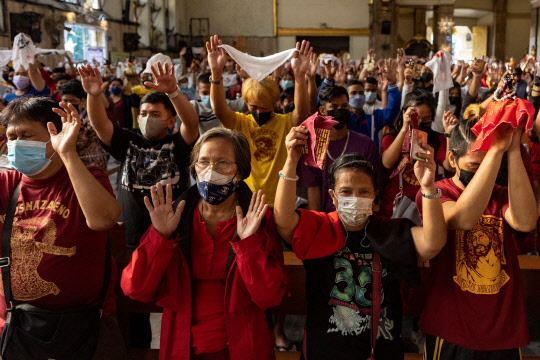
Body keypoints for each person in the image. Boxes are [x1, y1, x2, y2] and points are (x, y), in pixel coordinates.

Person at [273, 126, 446, 359]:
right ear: (333, 196)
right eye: (346, 191)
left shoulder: (389, 231)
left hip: (379, 351)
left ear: (374, 194)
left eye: (363, 191)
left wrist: (428, 187)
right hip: (324, 352)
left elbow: (432, 243)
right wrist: (291, 161)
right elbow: (284, 220)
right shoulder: (320, 227)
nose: (355, 198)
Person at [121, 128, 288, 360]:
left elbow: (270, 297)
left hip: (243, 347)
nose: (211, 171)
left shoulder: (258, 219)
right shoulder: (174, 218)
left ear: (239, 172)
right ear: (194, 169)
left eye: (223, 163)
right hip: (181, 347)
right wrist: (160, 236)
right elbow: (135, 288)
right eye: (204, 162)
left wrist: (249, 245)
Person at [79, 62, 199, 348]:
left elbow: (192, 123)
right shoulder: (128, 142)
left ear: (170, 120)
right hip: (131, 239)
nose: (148, 118)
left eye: (155, 114)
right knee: (133, 308)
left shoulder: (178, 144)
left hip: (173, 239)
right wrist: (95, 96)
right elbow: (100, 124)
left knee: (176, 303)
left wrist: (173, 93)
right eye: (144, 113)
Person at [0, 97, 124, 359]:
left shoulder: (87, 177)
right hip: (17, 328)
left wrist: (67, 153)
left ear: (54, 135)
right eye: (12, 136)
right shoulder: (6, 183)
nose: (17, 143)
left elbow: (103, 219)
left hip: (84, 328)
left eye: (27, 135)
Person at [416, 118, 537, 359]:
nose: (485, 171)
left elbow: (525, 222)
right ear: (453, 159)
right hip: (452, 328)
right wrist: (494, 151)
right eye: (474, 165)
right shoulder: (435, 191)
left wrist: (512, 150)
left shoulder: (501, 195)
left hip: (503, 329)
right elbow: (462, 220)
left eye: (490, 163)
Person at [207, 34, 311, 207]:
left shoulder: (284, 122)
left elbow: (301, 114)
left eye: (264, 107)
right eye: (254, 107)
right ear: (246, 103)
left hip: (279, 200)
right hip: (246, 200)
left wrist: (300, 77)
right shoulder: (241, 122)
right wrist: (216, 74)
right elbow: (219, 110)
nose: (258, 112)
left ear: (275, 103)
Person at [299, 85, 383, 212]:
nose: (340, 111)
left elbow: (374, 189)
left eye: (344, 106)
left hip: (360, 218)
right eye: (334, 107)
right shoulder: (313, 147)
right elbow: (313, 195)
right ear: (322, 110)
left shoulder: (366, 144)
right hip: (328, 221)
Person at [379, 89, 447, 220]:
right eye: (416, 119)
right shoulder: (392, 137)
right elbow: (387, 163)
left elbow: (448, 165)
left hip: (426, 204)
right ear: (405, 114)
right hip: (395, 207)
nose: (420, 123)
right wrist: (405, 129)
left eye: (426, 119)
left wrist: (449, 134)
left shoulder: (437, 139)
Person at [59, 80, 108, 171]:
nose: (68, 104)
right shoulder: (58, 117)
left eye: (73, 101)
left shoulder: (92, 116)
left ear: (82, 100)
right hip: (68, 164)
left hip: (92, 161)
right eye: (65, 100)